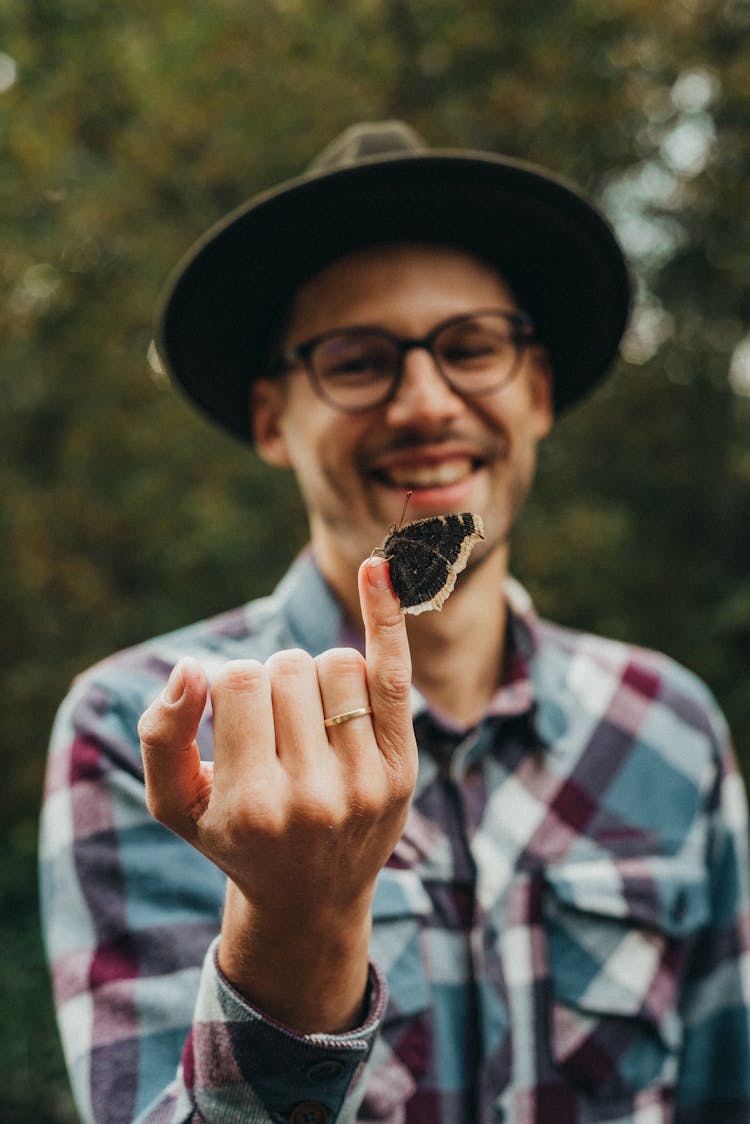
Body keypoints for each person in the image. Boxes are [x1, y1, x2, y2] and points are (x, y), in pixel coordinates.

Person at [40, 121, 750, 1124]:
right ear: (272, 418)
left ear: (537, 391)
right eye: (357, 360)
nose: (426, 401)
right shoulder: (150, 731)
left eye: (472, 347)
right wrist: (295, 933)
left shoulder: (671, 728)